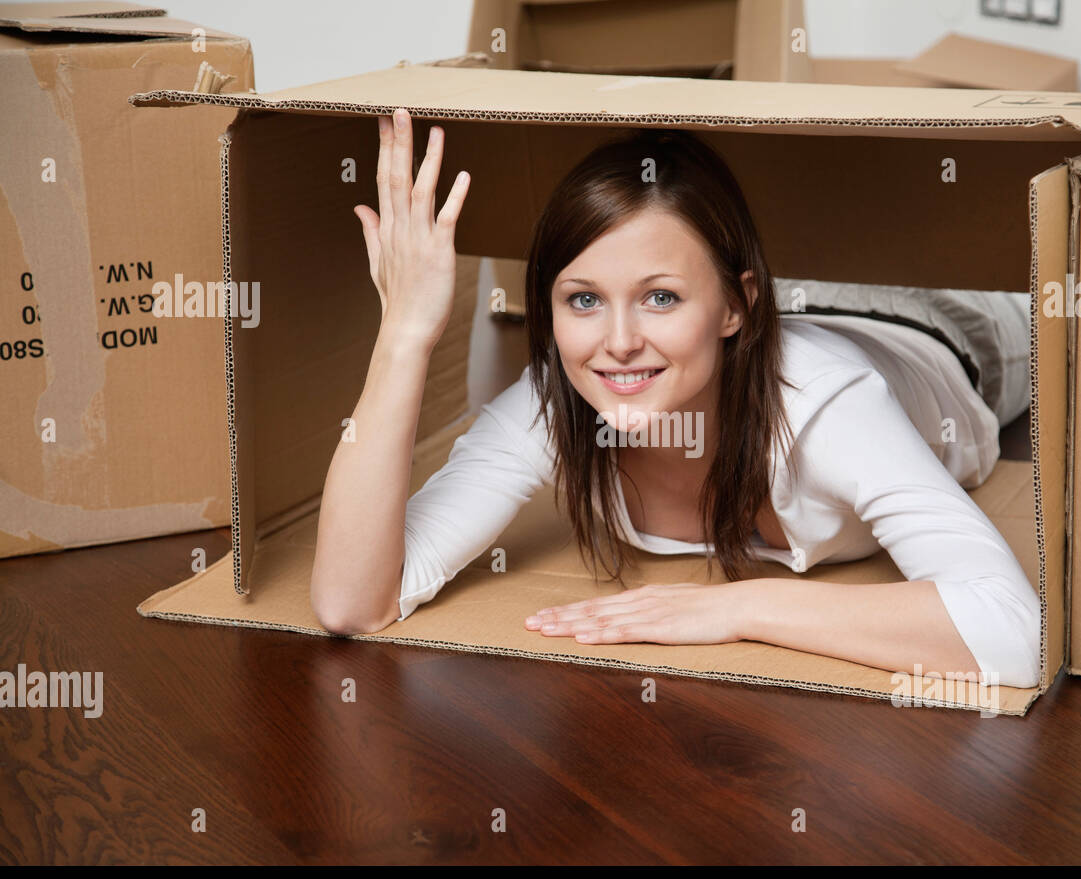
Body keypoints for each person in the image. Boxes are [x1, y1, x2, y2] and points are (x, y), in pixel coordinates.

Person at [310, 107, 1041, 689]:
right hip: (767, 302)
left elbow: (1014, 632)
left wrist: (737, 605)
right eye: (584, 299)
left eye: (658, 297)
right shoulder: (552, 401)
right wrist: (404, 335)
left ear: (737, 307)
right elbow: (351, 602)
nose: (619, 341)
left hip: (938, 327)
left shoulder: (830, 406)